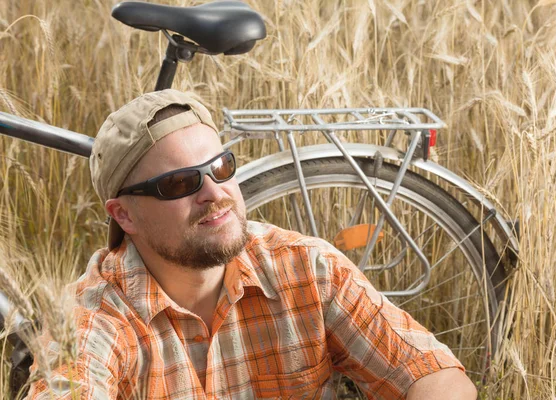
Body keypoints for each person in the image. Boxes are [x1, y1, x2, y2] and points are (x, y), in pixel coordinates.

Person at [27, 89, 477, 399]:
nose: (215, 193)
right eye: (181, 182)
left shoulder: (306, 268)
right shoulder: (94, 318)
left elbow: (432, 372)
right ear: (124, 215)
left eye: (221, 167)